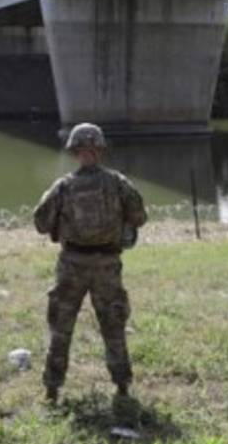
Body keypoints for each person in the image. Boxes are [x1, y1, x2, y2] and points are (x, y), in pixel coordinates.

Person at [33, 123, 147, 404]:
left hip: (72, 264)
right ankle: (122, 385)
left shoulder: (63, 186)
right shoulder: (119, 183)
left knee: (61, 327)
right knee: (113, 326)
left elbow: (40, 222)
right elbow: (140, 216)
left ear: (74, 152)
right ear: (100, 150)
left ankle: (52, 388)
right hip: (107, 264)